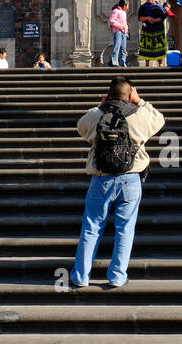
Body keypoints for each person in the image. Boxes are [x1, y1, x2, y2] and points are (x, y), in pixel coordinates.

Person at [70, 77, 165, 290]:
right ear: (130, 94)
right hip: (130, 179)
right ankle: (117, 276)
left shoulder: (98, 115)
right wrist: (140, 101)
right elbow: (159, 119)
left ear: (109, 94)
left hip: (101, 177)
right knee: (125, 229)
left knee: (92, 227)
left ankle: (81, 276)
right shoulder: (139, 116)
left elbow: (81, 127)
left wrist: (101, 106)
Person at [137, 0, 170, 68]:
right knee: (147, 47)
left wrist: (155, 20)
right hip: (147, 29)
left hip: (158, 29)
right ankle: (147, 63)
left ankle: (160, 63)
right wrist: (147, 18)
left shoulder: (159, 7)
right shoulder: (143, 7)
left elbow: (163, 17)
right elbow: (140, 18)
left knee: (159, 46)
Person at [109, 0, 129, 67]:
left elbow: (125, 23)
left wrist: (126, 31)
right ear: (124, 5)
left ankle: (123, 63)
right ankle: (114, 62)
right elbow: (112, 20)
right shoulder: (115, 11)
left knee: (123, 49)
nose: (127, 7)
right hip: (118, 31)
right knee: (117, 47)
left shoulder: (124, 12)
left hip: (124, 32)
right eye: (127, 6)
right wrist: (119, 26)